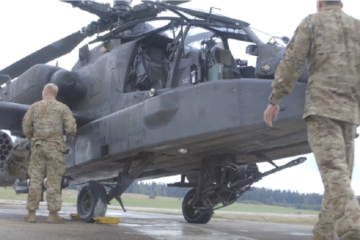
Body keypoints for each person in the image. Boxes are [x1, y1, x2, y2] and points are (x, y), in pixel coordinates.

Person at [263, 1, 360, 239]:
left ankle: (352, 228)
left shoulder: (312, 22)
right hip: (350, 113)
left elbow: (291, 61)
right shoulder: (357, 27)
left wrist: (275, 98)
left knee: (334, 173)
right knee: (339, 177)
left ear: (320, 3)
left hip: (322, 109)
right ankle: (323, 233)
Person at [22, 83, 77, 224]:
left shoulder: (35, 107)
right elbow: (71, 127)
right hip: (55, 149)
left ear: (44, 93)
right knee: (54, 181)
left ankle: (31, 214)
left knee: (35, 180)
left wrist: (33, 139)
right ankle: (53, 215)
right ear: (55, 94)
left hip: (38, 148)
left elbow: (26, 125)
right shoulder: (63, 108)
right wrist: (69, 139)